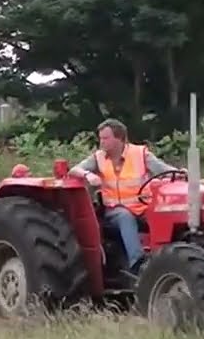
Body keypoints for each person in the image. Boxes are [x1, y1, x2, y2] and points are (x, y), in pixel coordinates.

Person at [67, 118, 181, 278]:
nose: (101, 142)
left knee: (165, 216)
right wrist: (88, 175)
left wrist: (181, 174)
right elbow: (74, 170)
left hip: (142, 208)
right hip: (114, 211)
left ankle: (169, 261)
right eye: (101, 138)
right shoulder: (98, 157)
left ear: (119, 138)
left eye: (105, 138)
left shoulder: (140, 154)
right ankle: (138, 264)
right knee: (125, 216)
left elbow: (164, 170)